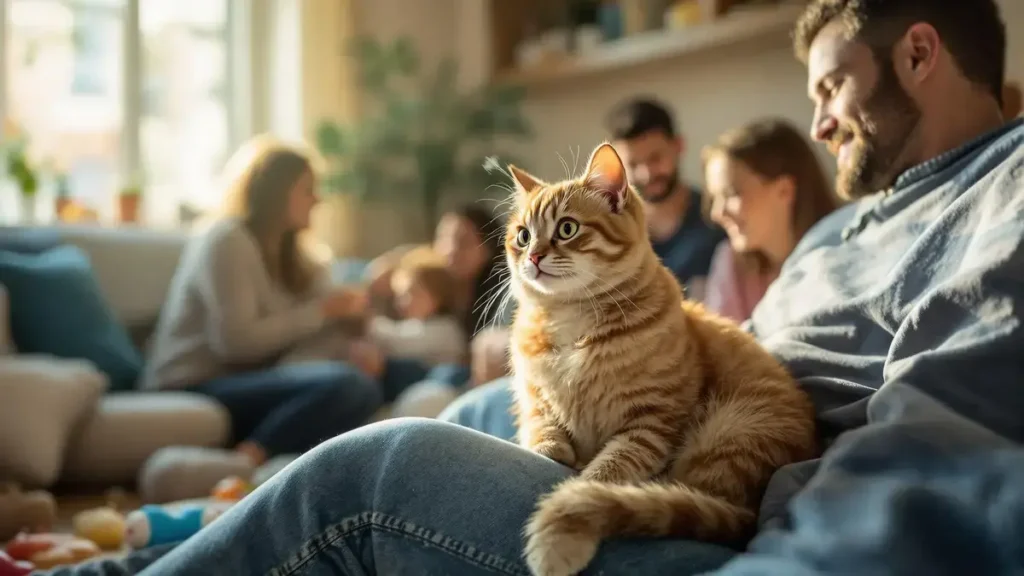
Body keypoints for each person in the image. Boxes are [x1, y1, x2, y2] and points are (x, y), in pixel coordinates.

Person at [49, 0, 1024, 574]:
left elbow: (940, 440)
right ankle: (152, 551)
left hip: (723, 504)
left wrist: (773, 548)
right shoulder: (847, 224)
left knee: (378, 470)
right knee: (462, 402)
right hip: (675, 439)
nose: (816, 123)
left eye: (828, 87)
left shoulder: (1005, 187)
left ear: (918, 53)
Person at [135, 135, 384, 502]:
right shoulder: (226, 241)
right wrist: (322, 311)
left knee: (381, 374)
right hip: (196, 380)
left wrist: (355, 328)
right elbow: (235, 344)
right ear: (275, 192)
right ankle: (244, 464)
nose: (318, 200)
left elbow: (325, 311)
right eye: (307, 190)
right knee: (348, 387)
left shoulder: (295, 252)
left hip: (252, 378)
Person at [702, 119, 841, 322]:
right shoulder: (731, 263)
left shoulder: (844, 258)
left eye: (731, 194)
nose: (716, 213)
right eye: (714, 198)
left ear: (784, 190)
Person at [604, 97, 726, 301]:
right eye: (633, 164)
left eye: (655, 158)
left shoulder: (719, 218)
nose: (646, 174)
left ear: (678, 146)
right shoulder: (613, 234)